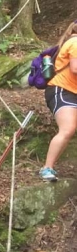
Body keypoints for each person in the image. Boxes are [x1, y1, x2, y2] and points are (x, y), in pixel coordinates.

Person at [41, 20, 77, 181]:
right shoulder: (75, 42)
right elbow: (75, 68)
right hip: (62, 90)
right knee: (68, 129)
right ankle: (46, 168)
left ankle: (49, 168)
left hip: (72, 91)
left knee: (69, 131)